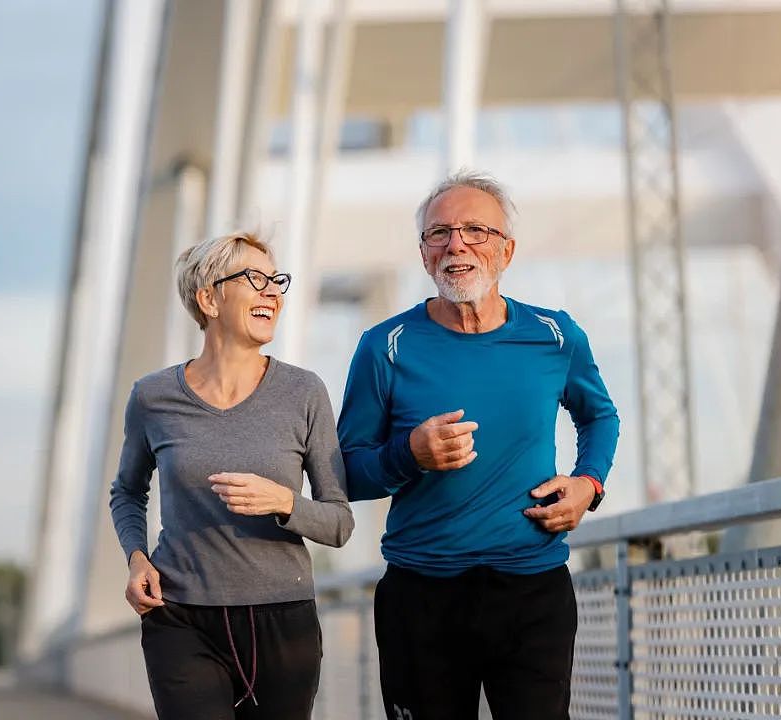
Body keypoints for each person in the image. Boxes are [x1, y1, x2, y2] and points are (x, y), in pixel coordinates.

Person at [337, 171, 619, 720]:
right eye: (438, 233)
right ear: (423, 254)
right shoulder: (384, 347)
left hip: (533, 586)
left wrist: (589, 483)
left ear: (507, 250)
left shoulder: (556, 335)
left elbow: (599, 415)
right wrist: (408, 455)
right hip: (421, 594)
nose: (456, 244)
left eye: (475, 230)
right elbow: (346, 473)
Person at [108, 230, 353, 720]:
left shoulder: (304, 392)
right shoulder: (152, 397)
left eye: (276, 281)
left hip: (285, 620)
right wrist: (137, 558)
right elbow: (128, 492)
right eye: (254, 278)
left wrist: (282, 502)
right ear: (208, 298)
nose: (273, 292)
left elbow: (340, 523)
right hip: (181, 618)